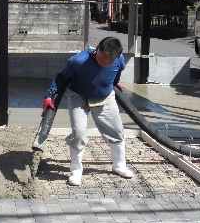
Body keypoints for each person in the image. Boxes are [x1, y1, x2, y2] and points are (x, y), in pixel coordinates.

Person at [43, 36, 133, 186]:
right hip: (79, 96)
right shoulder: (78, 60)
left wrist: (115, 82)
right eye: (101, 59)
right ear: (97, 49)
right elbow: (61, 77)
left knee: (116, 131)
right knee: (78, 132)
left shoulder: (119, 59)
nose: (103, 63)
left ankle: (119, 165)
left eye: (107, 62)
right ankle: (76, 170)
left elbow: (118, 71)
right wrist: (48, 95)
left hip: (105, 97)